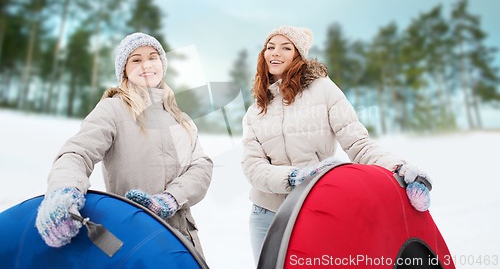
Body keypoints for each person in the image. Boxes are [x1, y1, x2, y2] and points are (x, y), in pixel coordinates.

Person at [241, 25, 432, 263]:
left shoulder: (323, 90)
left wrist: (399, 168)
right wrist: (295, 177)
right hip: (266, 215)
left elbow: (359, 145)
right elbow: (253, 168)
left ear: (298, 56)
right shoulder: (255, 111)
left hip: (311, 209)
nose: (275, 53)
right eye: (270, 47)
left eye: (285, 47)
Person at [35, 32, 213, 257]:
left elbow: (201, 167)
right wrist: (63, 190)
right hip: (134, 236)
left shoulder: (180, 118)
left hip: (185, 241)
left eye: (153, 57)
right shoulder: (113, 109)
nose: (146, 64)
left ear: (162, 63)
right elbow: (77, 153)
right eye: (136, 60)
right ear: (125, 70)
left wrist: (169, 199)